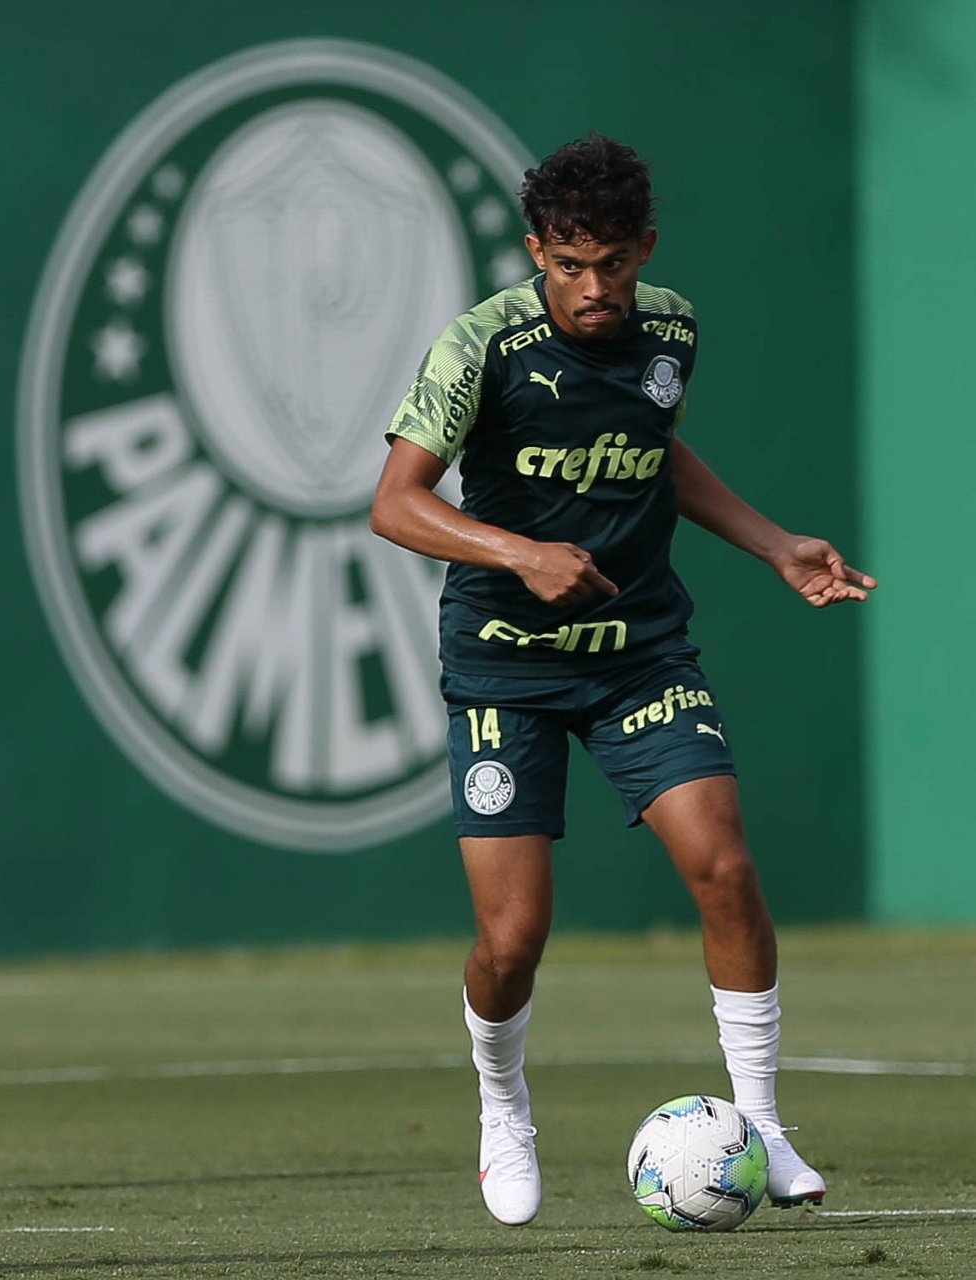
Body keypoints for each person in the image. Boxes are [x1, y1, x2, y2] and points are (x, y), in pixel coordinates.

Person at [370, 133, 875, 1227]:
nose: (592, 287)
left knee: (726, 867)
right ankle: (502, 1106)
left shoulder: (673, 330)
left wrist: (774, 543)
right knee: (512, 941)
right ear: (535, 254)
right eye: (569, 265)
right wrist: (519, 553)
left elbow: (653, 452)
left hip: (639, 652)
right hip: (504, 664)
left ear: (643, 248)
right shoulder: (481, 346)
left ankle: (761, 1124)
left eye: (611, 263)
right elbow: (394, 503)